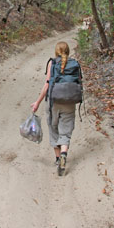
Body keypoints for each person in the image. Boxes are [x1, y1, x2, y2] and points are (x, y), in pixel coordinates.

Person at [31, 41, 77, 176]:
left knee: (53, 128)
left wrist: (37, 102)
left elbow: (47, 85)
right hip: (70, 101)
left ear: (56, 51)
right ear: (68, 51)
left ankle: (58, 159)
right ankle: (64, 153)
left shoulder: (52, 63)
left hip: (53, 101)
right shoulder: (74, 63)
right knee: (66, 131)